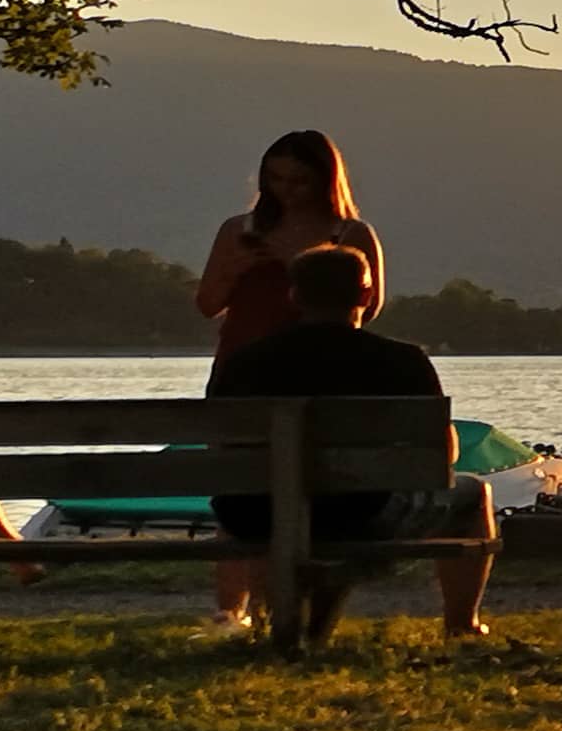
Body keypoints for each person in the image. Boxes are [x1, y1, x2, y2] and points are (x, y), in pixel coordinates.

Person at [204, 241, 494, 643]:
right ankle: (461, 625)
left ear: (295, 295)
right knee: (474, 493)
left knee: (266, 495)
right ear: (366, 295)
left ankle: (283, 622)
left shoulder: (246, 361)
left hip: (254, 517)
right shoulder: (403, 360)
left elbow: (219, 450)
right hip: (363, 516)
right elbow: (441, 459)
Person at [196, 131, 385, 373]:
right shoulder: (237, 230)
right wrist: (232, 272)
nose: (286, 189)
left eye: (299, 181)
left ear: (324, 180)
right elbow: (207, 306)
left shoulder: (351, 234)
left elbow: (368, 308)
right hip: (243, 364)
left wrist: (307, 267)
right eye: (276, 179)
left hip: (321, 362)